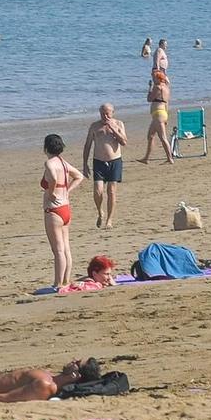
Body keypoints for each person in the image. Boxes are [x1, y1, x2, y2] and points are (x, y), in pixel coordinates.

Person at [40, 132, 83, 289]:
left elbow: (52, 176)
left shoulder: (50, 163)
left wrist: (51, 192)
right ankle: (65, 280)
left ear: (46, 148)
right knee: (66, 248)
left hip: (54, 210)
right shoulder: (64, 163)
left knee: (57, 250)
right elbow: (79, 176)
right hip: (65, 207)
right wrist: (67, 191)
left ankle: (58, 283)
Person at [81, 103, 128, 228]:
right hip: (99, 161)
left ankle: (109, 220)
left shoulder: (118, 124)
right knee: (98, 191)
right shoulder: (95, 126)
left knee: (111, 191)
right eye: (102, 113)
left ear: (112, 112)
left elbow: (124, 142)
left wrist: (114, 129)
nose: (105, 116)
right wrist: (85, 164)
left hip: (115, 160)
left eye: (107, 113)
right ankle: (100, 212)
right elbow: (87, 145)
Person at [139, 67, 175, 164]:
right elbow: (167, 103)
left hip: (158, 114)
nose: (153, 80)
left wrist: (150, 87)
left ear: (159, 79)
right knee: (150, 136)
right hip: (162, 113)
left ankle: (170, 158)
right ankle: (146, 158)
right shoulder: (167, 88)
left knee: (162, 137)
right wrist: (167, 116)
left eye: (154, 78)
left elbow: (149, 99)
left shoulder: (157, 87)